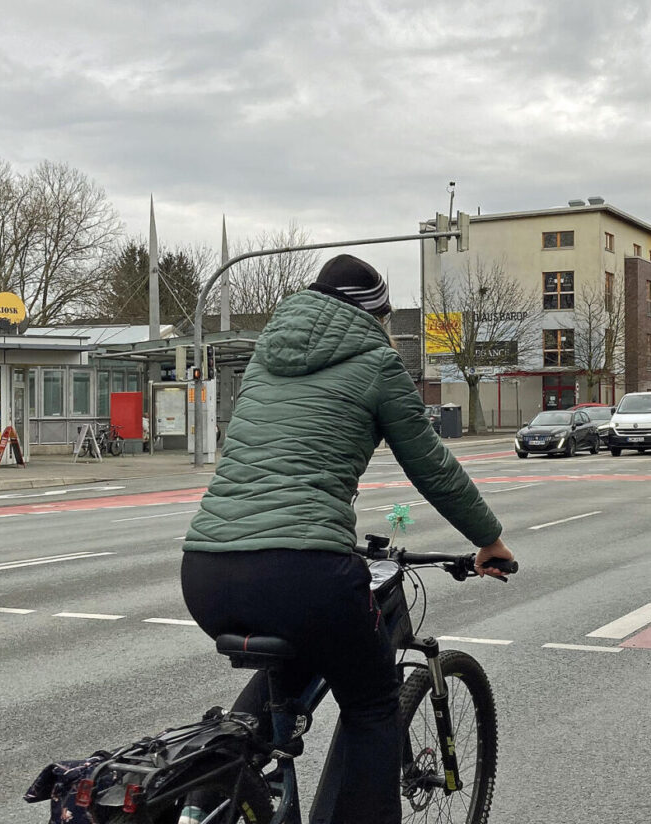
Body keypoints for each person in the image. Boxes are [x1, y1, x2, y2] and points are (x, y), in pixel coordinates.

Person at [180, 254, 514, 824]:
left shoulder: (266, 356)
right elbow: (430, 465)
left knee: (289, 670)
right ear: (375, 314)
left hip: (205, 570)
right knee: (373, 702)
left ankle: (207, 795)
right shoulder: (379, 363)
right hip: (303, 569)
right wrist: (489, 539)